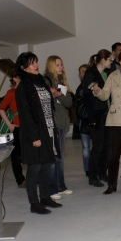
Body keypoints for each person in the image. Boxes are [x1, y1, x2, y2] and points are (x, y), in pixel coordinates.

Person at [14, 52, 62, 214]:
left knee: (46, 165)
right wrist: (35, 137)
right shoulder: (23, 87)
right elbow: (26, 114)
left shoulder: (41, 82)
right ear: (23, 67)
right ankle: (34, 203)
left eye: (36, 62)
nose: (35, 65)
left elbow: (48, 108)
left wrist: (53, 130)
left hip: (48, 129)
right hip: (33, 133)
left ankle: (45, 197)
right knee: (34, 168)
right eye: (31, 63)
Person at [92, 49, 121, 194]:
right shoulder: (113, 76)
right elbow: (105, 95)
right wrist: (97, 91)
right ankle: (112, 185)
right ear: (119, 61)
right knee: (114, 154)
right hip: (116, 119)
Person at [82, 49, 113, 187]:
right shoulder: (91, 73)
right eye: (109, 59)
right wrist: (91, 117)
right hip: (96, 115)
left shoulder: (106, 74)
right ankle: (93, 176)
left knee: (106, 145)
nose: (111, 62)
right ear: (103, 60)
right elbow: (86, 96)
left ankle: (102, 172)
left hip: (106, 113)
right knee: (97, 146)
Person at [44, 56, 74, 199]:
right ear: (51, 66)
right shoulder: (46, 81)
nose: (61, 67)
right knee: (53, 157)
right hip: (52, 124)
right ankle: (51, 189)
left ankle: (60, 186)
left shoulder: (62, 82)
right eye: (57, 65)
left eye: (61, 64)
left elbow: (69, 102)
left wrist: (59, 95)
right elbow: (44, 103)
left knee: (60, 157)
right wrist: (52, 95)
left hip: (61, 123)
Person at [0, 75, 26, 187]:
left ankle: (33, 178)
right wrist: (9, 124)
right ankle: (20, 180)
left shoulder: (27, 91)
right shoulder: (11, 93)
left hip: (28, 128)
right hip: (17, 128)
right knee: (16, 156)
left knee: (30, 153)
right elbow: (1, 109)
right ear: (15, 79)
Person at [75, 64, 91, 175]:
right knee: (86, 146)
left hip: (93, 119)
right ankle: (87, 169)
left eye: (85, 71)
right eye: (81, 72)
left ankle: (94, 167)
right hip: (83, 119)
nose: (82, 74)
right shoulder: (80, 87)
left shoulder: (93, 86)